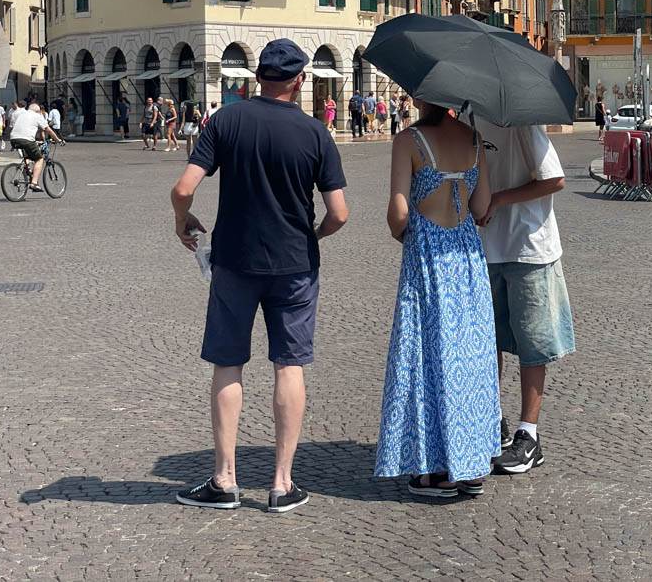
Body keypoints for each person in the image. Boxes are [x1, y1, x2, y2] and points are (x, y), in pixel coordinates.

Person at [171, 38, 348, 513]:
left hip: (234, 261)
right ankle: (281, 484)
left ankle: (224, 479)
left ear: (255, 80)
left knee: (228, 363)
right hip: (294, 264)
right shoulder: (316, 133)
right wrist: (314, 234)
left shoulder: (227, 120)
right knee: (289, 365)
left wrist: (181, 220)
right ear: (300, 82)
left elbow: (184, 186)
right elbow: (340, 213)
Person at [374, 100, 498, 498]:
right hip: (465, 252)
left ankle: (434, 468)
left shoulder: (409, 140)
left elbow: (398, 211)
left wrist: (403, 232)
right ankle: (470, 464)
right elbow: (481, 207)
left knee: (424, 351)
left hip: (426, 250)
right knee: (468, 352)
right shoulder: (475, 140)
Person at [475, 118, 573, 476]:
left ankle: (529, 435)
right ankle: (493, 419)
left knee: (533, 345)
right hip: (486, 248)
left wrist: (499, 199)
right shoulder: (469, 121)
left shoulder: (523, 124)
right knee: (489, 342)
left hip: (529, 246)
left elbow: (554, 179)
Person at [9, 103, 64, 191]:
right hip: (26, 140)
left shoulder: (21, 114)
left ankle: (27, 170)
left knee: (27, 155)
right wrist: (58, 140)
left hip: (13, 139)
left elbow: (25, 128)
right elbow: (48, 129)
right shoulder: (37, 116)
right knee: (39, 159)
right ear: (37, 111)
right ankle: (34, 183)